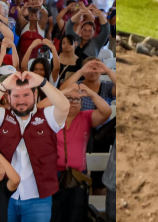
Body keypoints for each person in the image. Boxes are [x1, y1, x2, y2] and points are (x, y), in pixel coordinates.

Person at [0, 71, 70, 222]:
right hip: (5, 195)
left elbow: (64, 106)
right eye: (16, 96)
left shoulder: (47, 116)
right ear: (8, 97)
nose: (21, 100)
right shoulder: (2, 116)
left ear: (35, 95)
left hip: (39, 198)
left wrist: (41, 81)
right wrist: (3, 85)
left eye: (26, 95)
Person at [52, 82, 113, 221]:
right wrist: (61, 94)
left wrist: (91, 93)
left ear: (81, 103)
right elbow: (38, 108)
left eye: (77, 99)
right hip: (53, 173)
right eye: (69, 98)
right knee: (55, 212)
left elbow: (107, 111)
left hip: (77, 175)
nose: (73, 102)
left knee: (75, 213)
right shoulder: (52, 117)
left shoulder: (85, 117)